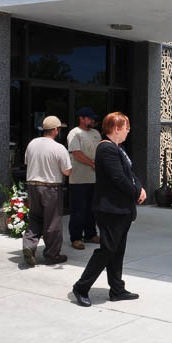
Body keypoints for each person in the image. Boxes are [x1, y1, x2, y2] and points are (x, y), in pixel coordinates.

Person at [72, 112, 146, 307]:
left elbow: (129, 173)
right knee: (108, 250)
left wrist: (140, 188)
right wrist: (135, 193)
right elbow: (118, 178)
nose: (128, 131)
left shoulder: (118, 148)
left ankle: (117, 289)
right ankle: (81, 287)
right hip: (110, 209)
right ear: (116, 128)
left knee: (117, 250)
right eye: (126, 128)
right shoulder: (106, 149)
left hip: (121, 209)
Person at [22, 115, 72, 266]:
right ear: (55, 130)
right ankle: (52, 255)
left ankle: (29, 246)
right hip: (51, 188)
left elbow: (27, 162)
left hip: (32, 185)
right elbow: (67, 171)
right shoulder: (58, 148)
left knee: (35, 218)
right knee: (53, 222)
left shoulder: (32, 144)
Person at [67, 106, 102, 250]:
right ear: (81, 118)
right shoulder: (74, 133)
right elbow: (76, 153)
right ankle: (76, 237)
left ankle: (90, 234)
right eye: (89, 118)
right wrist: (92, 163)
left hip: (94, 178)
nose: (92, 120)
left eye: (92, 118)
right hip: (79, 179)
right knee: (78, 210)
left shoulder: (96, 133)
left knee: (92, 209)